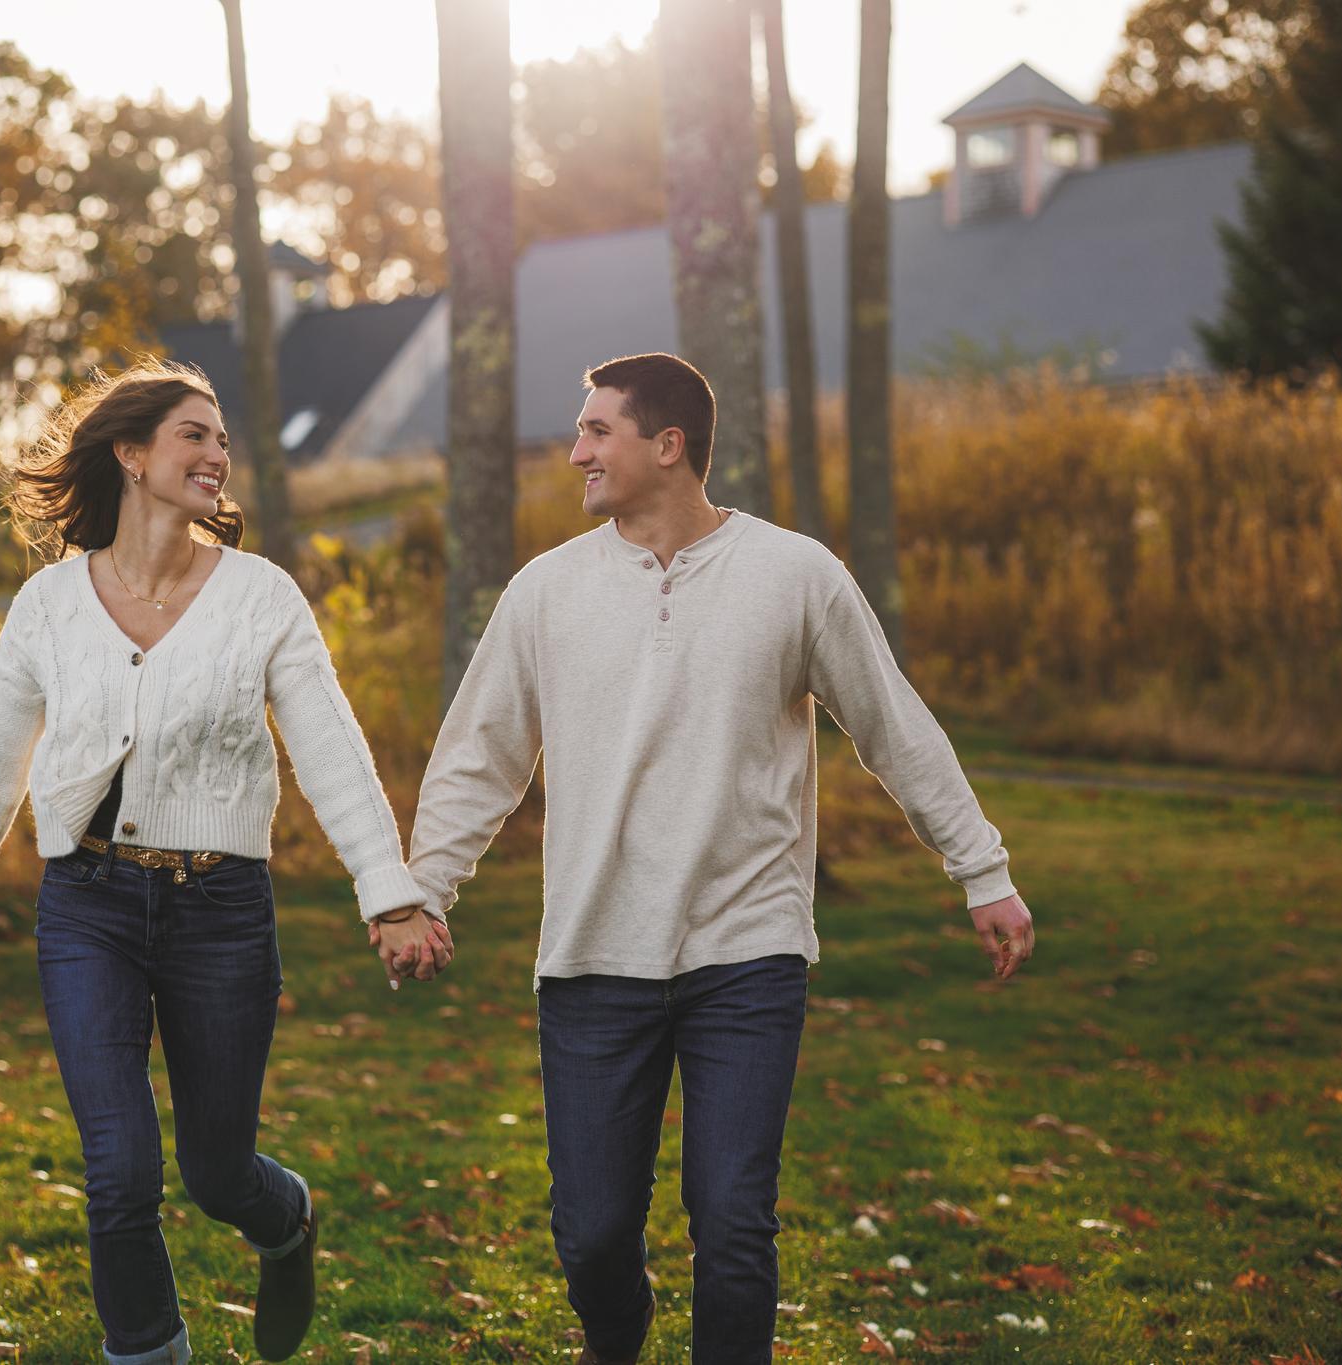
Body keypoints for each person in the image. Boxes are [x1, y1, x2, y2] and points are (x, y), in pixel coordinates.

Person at [394, 353, 1036, 1362]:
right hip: (593, 955)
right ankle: (619, 1339)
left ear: (667, 445)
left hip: (745, 952)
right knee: (592, 1236)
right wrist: (424, 888)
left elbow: (892, 728)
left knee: (733, 1218)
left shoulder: (793, 577)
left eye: (596, 432)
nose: (575, 453)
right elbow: (479, 758)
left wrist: (980, 871)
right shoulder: (544, 593)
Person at [0, 357, 452, 1365]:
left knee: (213, 1172)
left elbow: (330, 748)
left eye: (222, 441)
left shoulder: (259, 597)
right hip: (87, 906)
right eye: (193, 435)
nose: (216, 454)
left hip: (220, 911)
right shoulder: (48, 606)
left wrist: (391, 895)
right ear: (131, 453)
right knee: (117, 1171)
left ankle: (283, 1223)